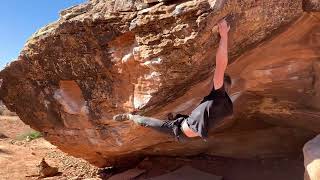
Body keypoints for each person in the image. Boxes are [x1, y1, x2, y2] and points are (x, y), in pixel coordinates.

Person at [113, 19, 233, 141]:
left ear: (221, 84)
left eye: (215, 81)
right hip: (184, 125)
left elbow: (221, 64)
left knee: (146, 122)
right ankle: (173, 118)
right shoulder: (228, 106)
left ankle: (130, 117)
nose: (212, 82)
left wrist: (224, 36)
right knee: (177, 118)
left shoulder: (218, 94)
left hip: (178, 128)